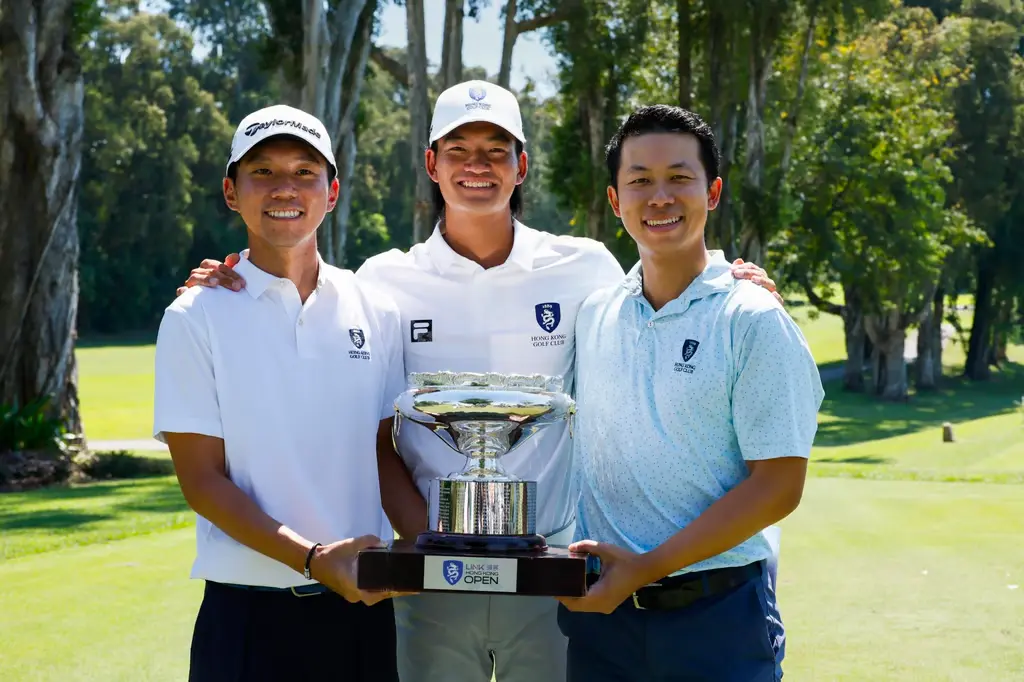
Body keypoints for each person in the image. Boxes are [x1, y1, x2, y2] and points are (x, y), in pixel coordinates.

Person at [176, 83, 782, 682]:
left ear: (521, 165)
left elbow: (667, 282)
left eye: (496, 150)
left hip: (555, 575)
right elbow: (377, 439)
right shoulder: (382, 282)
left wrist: (735, 278)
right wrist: (431, 548)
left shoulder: (586, 265)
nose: (477, 166)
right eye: (458, 149)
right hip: (429, 587)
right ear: (431, 164)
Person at [154, 104, 423, 682]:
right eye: (263, 172)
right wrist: (312, 558)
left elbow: (381, 450)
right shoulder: (194, 316)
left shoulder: (375, 307)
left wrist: (439, 551)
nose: (285, 188)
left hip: (361, 613)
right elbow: (201, 481)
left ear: (332, 192)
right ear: (232, 191)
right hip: (249, 618)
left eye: (305, 172)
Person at [555, 104, 825, 681]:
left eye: (680, 178)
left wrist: (647, 568)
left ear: (714, 191)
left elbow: (779, 485)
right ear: (614, 199)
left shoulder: (752, 317)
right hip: (602, 624)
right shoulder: (594, 313)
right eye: (640, 181)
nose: (660, 197)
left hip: (717, 619)